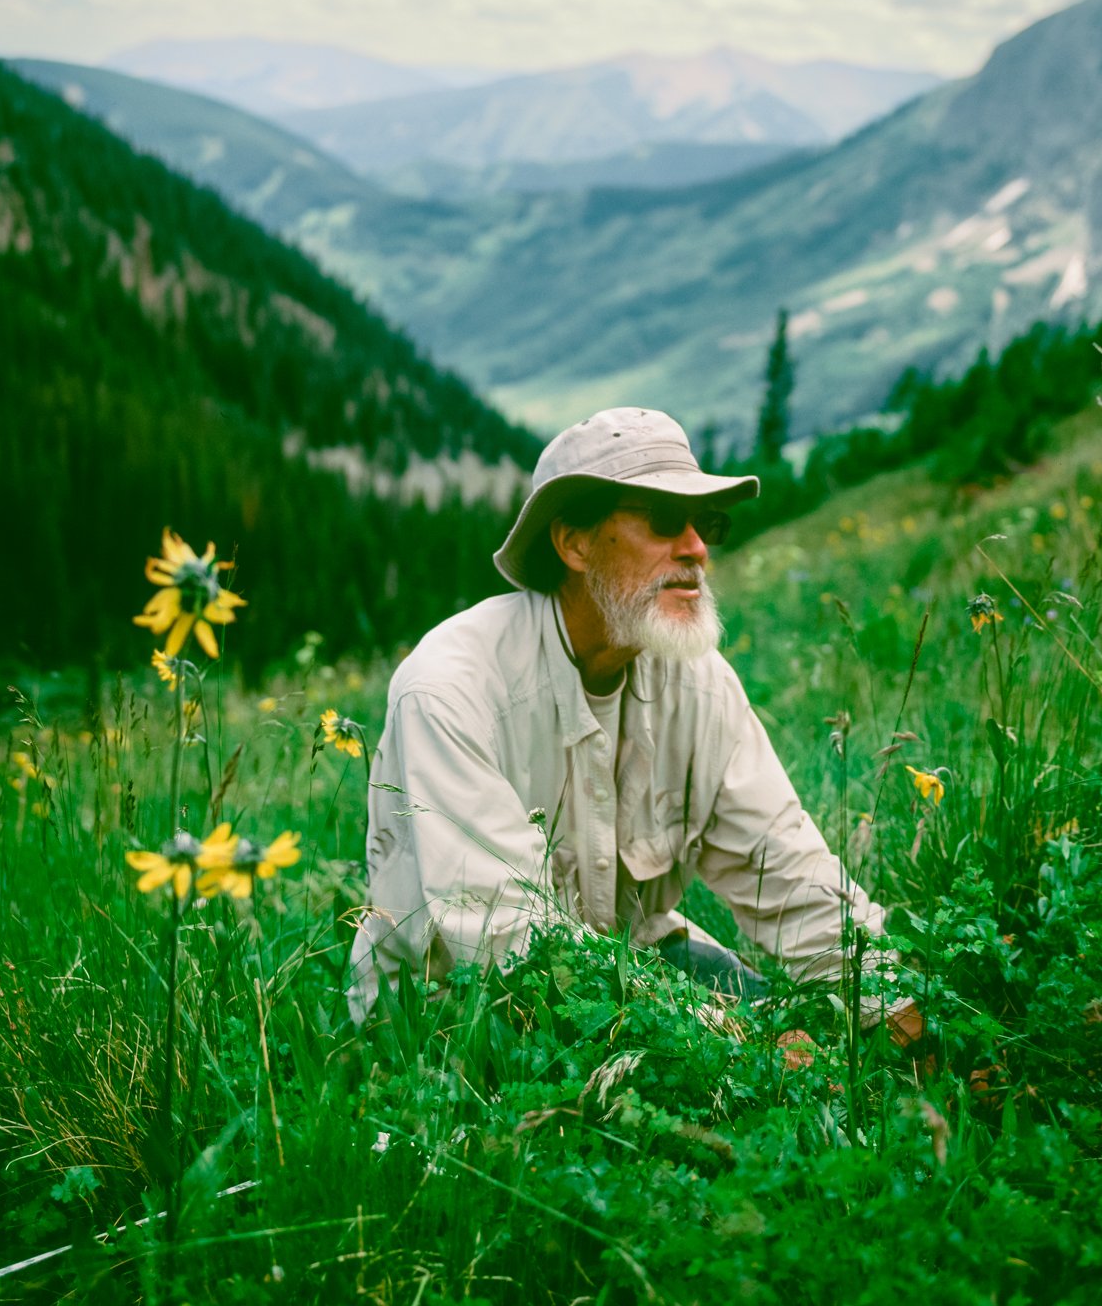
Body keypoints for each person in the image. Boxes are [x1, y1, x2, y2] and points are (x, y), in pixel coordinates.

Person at [347, 406, 920, 1047]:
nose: (698, 548)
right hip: (455, 1014)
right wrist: (728, 1035)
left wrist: (895, 1008)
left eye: (705, 524)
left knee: (797, 1031)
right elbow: (512, 950)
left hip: (633, 965)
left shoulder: (698, 682)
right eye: (665, 521)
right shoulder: (451, 691)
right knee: (756, 1051)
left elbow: (787, 872)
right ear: (575, 544)